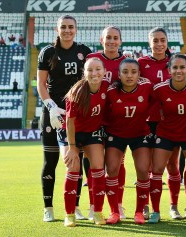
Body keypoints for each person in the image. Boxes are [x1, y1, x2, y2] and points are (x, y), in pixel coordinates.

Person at [37, 14, 92, 222]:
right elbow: (41, 83)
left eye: (71, 27)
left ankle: (75, 206)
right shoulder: (48, 52)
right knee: (50, 161)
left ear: (76, 29)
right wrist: (51, 106)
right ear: (56, 29)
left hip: (76, 114)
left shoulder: (84, 51)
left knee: (75, 159)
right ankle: (48, 207)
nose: (67, 30)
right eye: (63, 27)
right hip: (53, 113)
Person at [149, 54, 186, 224]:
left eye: (182, 67)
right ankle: (157, 211)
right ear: (169, 70)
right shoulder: (159, 88)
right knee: (157, 169)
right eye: (175, 67)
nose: (179, 71)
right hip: (166, 133)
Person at [138, 27, 183, 220]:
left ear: (167, 42)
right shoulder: (141, 63)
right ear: (149, 43)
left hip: (171, 122)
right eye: (155, 40)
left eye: (162, 40)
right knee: (148, 166)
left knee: (172, 164)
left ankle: (173, 206)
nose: (158, 44)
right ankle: (147, 205)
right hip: (148, 122)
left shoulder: (175, 63)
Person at [104, 58, 154, 224]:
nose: (129, 75)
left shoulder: (147, 87)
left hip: (140, 135)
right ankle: (114, 212)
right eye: (125, 72)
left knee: (142, 170)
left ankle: (139, 211)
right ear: (119, 74)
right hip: (116, 134)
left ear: (139, 74)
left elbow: (157, 103)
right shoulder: (111, 91)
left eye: (133, 72)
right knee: (111, 169)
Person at [86, 25, 127, 220]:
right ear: (102, 40)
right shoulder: (91, 60)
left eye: (115, 38)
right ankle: (94, 205)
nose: (111, 41)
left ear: (120, 41)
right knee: (94, 165)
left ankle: (117, 204)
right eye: (108, 38)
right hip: (93, 119)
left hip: (116, 121)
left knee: (116, 165)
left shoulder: (126, 62)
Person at [62, 57, 109, 227]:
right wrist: (72, 148)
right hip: (72, 134)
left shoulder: (106, 87)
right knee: (73, 168)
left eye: (98, 69)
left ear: (104, 72)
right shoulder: (77, 92)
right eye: (90, 70)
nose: (94, 73)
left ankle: (97, 212)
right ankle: (70, 214)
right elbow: (69, 122)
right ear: (84, 73)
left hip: (91, 133)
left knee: (98, 167)